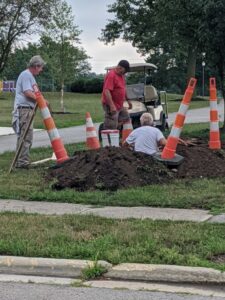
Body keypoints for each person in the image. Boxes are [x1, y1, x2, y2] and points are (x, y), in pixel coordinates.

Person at [12, 55, 47, 169]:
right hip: (24, 109)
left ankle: (20, 161)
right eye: (41, 67)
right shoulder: (26, 75)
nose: (41, 70)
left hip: (27, 109)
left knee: (24, 136)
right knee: (26, 136)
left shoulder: (29, 75)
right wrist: (41, 100)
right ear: (36, 66)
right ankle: (22, 162)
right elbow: (27, 92)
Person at [101, 59, 132, 130]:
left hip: (119, 105)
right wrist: (111, 106)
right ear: (120, 67)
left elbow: (123, 88)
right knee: (111, 124)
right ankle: (108, 135)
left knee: (126, 118)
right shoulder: (111, 75)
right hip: (110, 104)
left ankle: (117, 130)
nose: (125, 73)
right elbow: (106, 91)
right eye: (125, 71)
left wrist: (128, 100)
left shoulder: (121, 76)